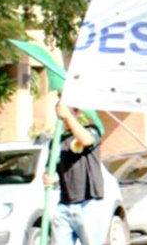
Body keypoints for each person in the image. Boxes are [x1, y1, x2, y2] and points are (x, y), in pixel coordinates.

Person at [42, 103, 107, 245]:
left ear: (77, 112)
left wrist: (68, 117)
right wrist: (48, 178)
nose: (63, 116)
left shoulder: (92, 130)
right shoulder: (57, 142)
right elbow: (50, 169)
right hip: (64, 204)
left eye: (70, 111)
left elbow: (85, 141)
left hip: (89, 202)